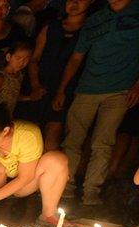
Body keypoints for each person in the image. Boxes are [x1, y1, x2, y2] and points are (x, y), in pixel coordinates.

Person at [56, 0, 139, 207]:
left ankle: (91, 192)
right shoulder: (95, 19)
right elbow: (76, 58)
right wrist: (62, 89)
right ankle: (64, 186)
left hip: (119, 90)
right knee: (73, 139)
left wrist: (137, 86)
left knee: (103, 143)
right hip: (86, 88)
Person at [26, 0, 91, 152]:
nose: (74, 3)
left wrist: (63, 90)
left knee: (52, 140)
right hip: (41, 86)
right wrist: (35, 84)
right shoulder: (51, 27)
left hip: (69, 90)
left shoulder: (90, 30)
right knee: (31, 137)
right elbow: (34, 59)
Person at [0, 42, 37, 115]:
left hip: (8, 116)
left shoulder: (19, 75)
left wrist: (29, 98)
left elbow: (13, 95)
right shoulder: (0, 78)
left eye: (26, 59)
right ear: (8, 57)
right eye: (18, 58)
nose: (22, 62)